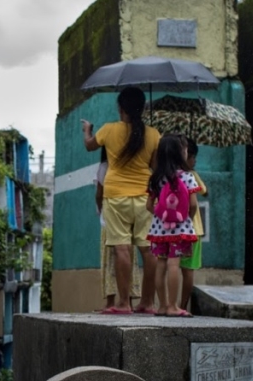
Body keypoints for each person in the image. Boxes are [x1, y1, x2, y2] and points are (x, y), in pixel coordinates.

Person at [81, 86, 160, 314]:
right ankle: (148, 302)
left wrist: (87, 130)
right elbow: (155, 168)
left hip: (115, 196)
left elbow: (89, 145)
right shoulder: (154, 134)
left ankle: (123, 303)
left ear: (120, 108)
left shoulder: (108, 130)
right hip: (145, 196)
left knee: (122, 249)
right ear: (143, 108)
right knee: (148, 250)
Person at [146, 135, 200, 318]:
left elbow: (148, 206)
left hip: (159, 229)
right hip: (180, 228)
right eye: (185, 149)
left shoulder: (156, 178)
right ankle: (173, 306)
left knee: (161, 263)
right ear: (180, 154)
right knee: (174, 263)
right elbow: (192, 205)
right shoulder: (188, 177)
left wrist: (161, 217)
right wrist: (185, 220)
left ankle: (161, 306)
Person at [96, 150, 143, 309]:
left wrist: (101, 210)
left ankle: (111, 302)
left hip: (110, 220)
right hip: (131, 219)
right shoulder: (130, 164)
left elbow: (99, 193)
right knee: (129, 259)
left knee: (110, 261)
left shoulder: (105, 166)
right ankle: (128, 300)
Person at [178, 137, 205, 313]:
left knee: (170, 265)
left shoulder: (168, 174)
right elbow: (204, 191)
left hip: (172, 230)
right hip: (193, 230)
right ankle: (183, 306)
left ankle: (170, 304)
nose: (194, 161)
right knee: (188, 271)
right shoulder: (191, 176)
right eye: (193, 157)